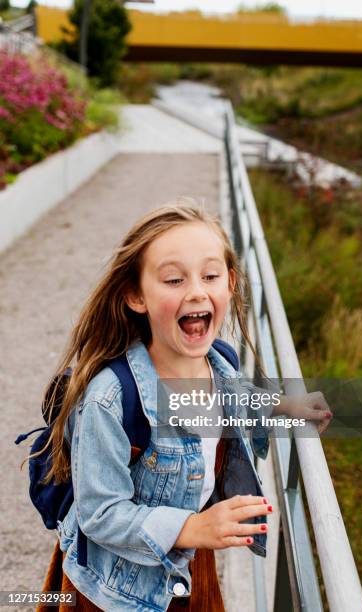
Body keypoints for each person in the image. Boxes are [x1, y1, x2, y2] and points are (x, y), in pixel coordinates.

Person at [34, 200, 332, 611]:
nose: (196, 290)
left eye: (210, 275)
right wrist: (193, 527)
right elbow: (101, 513)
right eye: (173, 280)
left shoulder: (219, 362)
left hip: (188, 564)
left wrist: (284, 405)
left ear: (229, 283)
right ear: (136, 295)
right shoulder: (111, 398)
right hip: (116, 590)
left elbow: (233, 399)